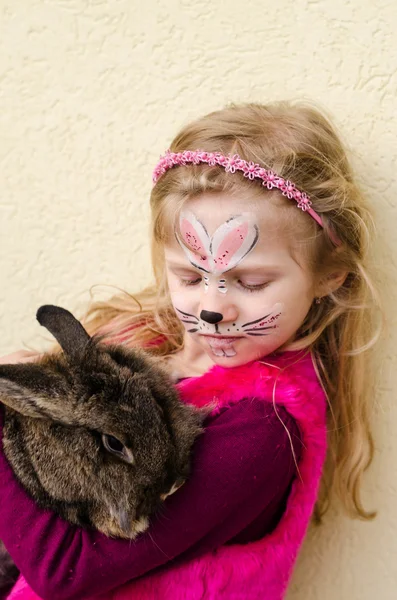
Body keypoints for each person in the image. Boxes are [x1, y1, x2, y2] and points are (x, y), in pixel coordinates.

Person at [0, 102, 380, 600]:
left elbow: (67, 571)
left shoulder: (263, 428)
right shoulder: (136, 344)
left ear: (329, 276)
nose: (212, 309)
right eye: (188, 276)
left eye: (250, 281)